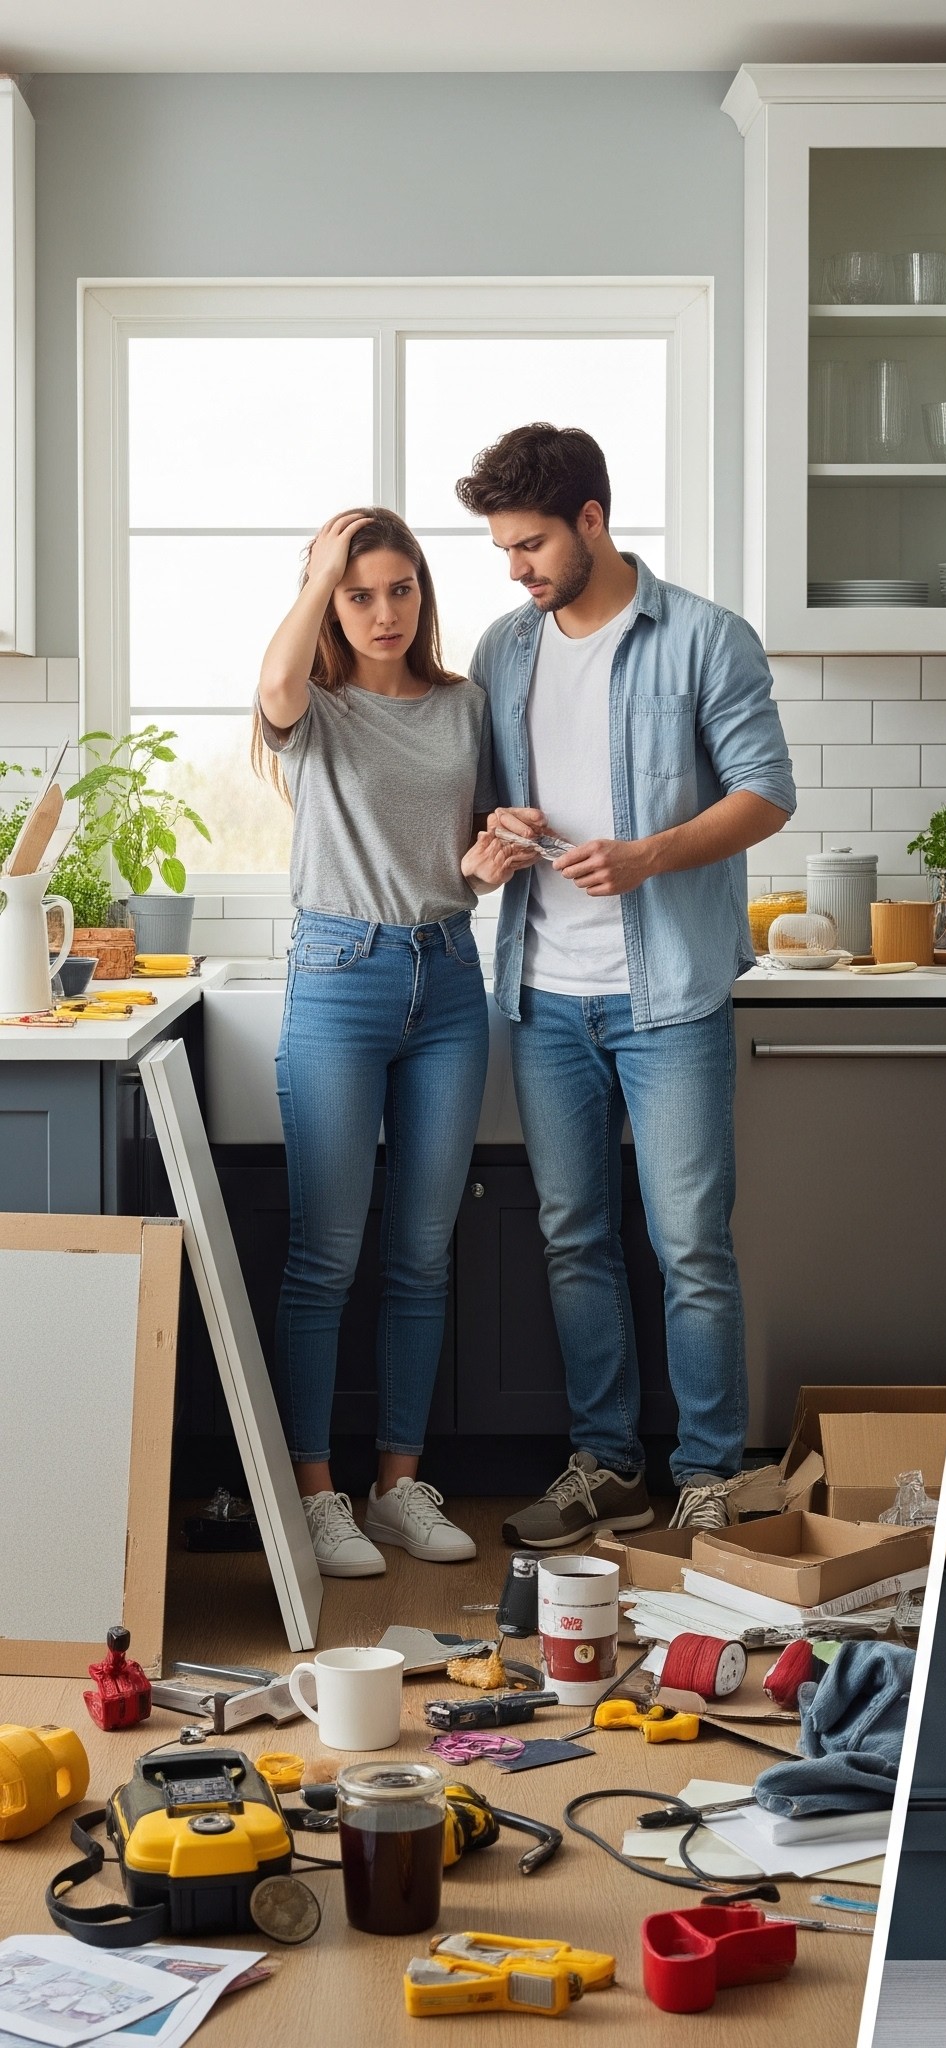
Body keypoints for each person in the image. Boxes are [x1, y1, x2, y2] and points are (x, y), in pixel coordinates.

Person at [459, 425, 796, 1550]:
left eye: (531, 543)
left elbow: (766, 792)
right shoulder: (506, 650)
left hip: (669, 995)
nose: (516, 567)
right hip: (544, 993)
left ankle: (706, 1471)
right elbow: (480, 805)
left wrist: (647, 853)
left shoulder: (704, 637)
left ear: (592, 521)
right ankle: (606, 1463)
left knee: (691, 1240)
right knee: (573, 1235)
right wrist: (496, 829)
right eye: (506, 548)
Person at [255, 508, 531, 1577]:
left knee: (421, 1252)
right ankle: (315, 1490)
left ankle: (396, 1485)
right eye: (356, 593)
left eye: (397, 589)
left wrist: (488, 857)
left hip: (449, 976)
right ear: (331, 599)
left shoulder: (464, 707)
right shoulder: (314, 707)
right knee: (325, 1255)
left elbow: (464, 850)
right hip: (337, 977)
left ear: (422, 593)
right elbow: (274, 688)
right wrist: (317, 566)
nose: (381, 611)